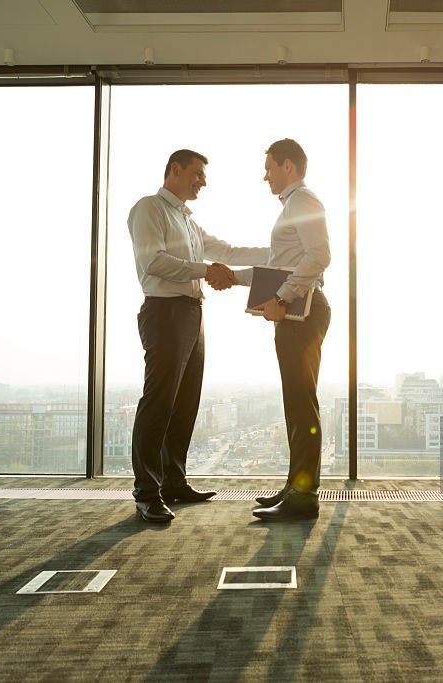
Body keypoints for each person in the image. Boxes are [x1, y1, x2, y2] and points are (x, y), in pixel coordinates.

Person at [128, 149, 268, 523]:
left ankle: (174, 482)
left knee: (186, 402)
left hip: (192, 313)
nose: (203, 181)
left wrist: (280, 254)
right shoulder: (149, 209)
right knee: (159, 401)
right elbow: (152, 261)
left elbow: (226, 250)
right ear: (175, 170)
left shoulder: (188, 221)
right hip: (164, 313)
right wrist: (207, 270)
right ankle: (146, 492)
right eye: (197, 173)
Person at [214, 139, 331, 520]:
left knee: (301, 404)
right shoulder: (292, 207)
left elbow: (320, 255)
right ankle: (294, 489)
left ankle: (303, 497)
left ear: (288, 167)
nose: (264, 175)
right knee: (295, 406)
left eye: (269, 167)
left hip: (303, 313)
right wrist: (233, 278)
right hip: (295, 314)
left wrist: (281, 298)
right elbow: (277, 265)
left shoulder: (304, 202)